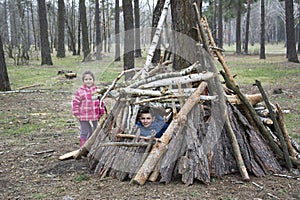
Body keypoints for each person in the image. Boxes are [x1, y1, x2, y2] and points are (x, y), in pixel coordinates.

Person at [72, 71, 105, 147]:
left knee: (96, 130)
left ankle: (93, 145)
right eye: (86, 79)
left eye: (90, 79)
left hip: (94, 115)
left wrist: (101, 112)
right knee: (85, 131)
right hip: (84, 115)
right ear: (83, 81)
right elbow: (75, 103)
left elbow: (101, 102)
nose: (88, 81)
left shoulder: (97, 91)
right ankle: (83, 146)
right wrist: (76, 114)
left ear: (93, 80)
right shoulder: (80, 92)